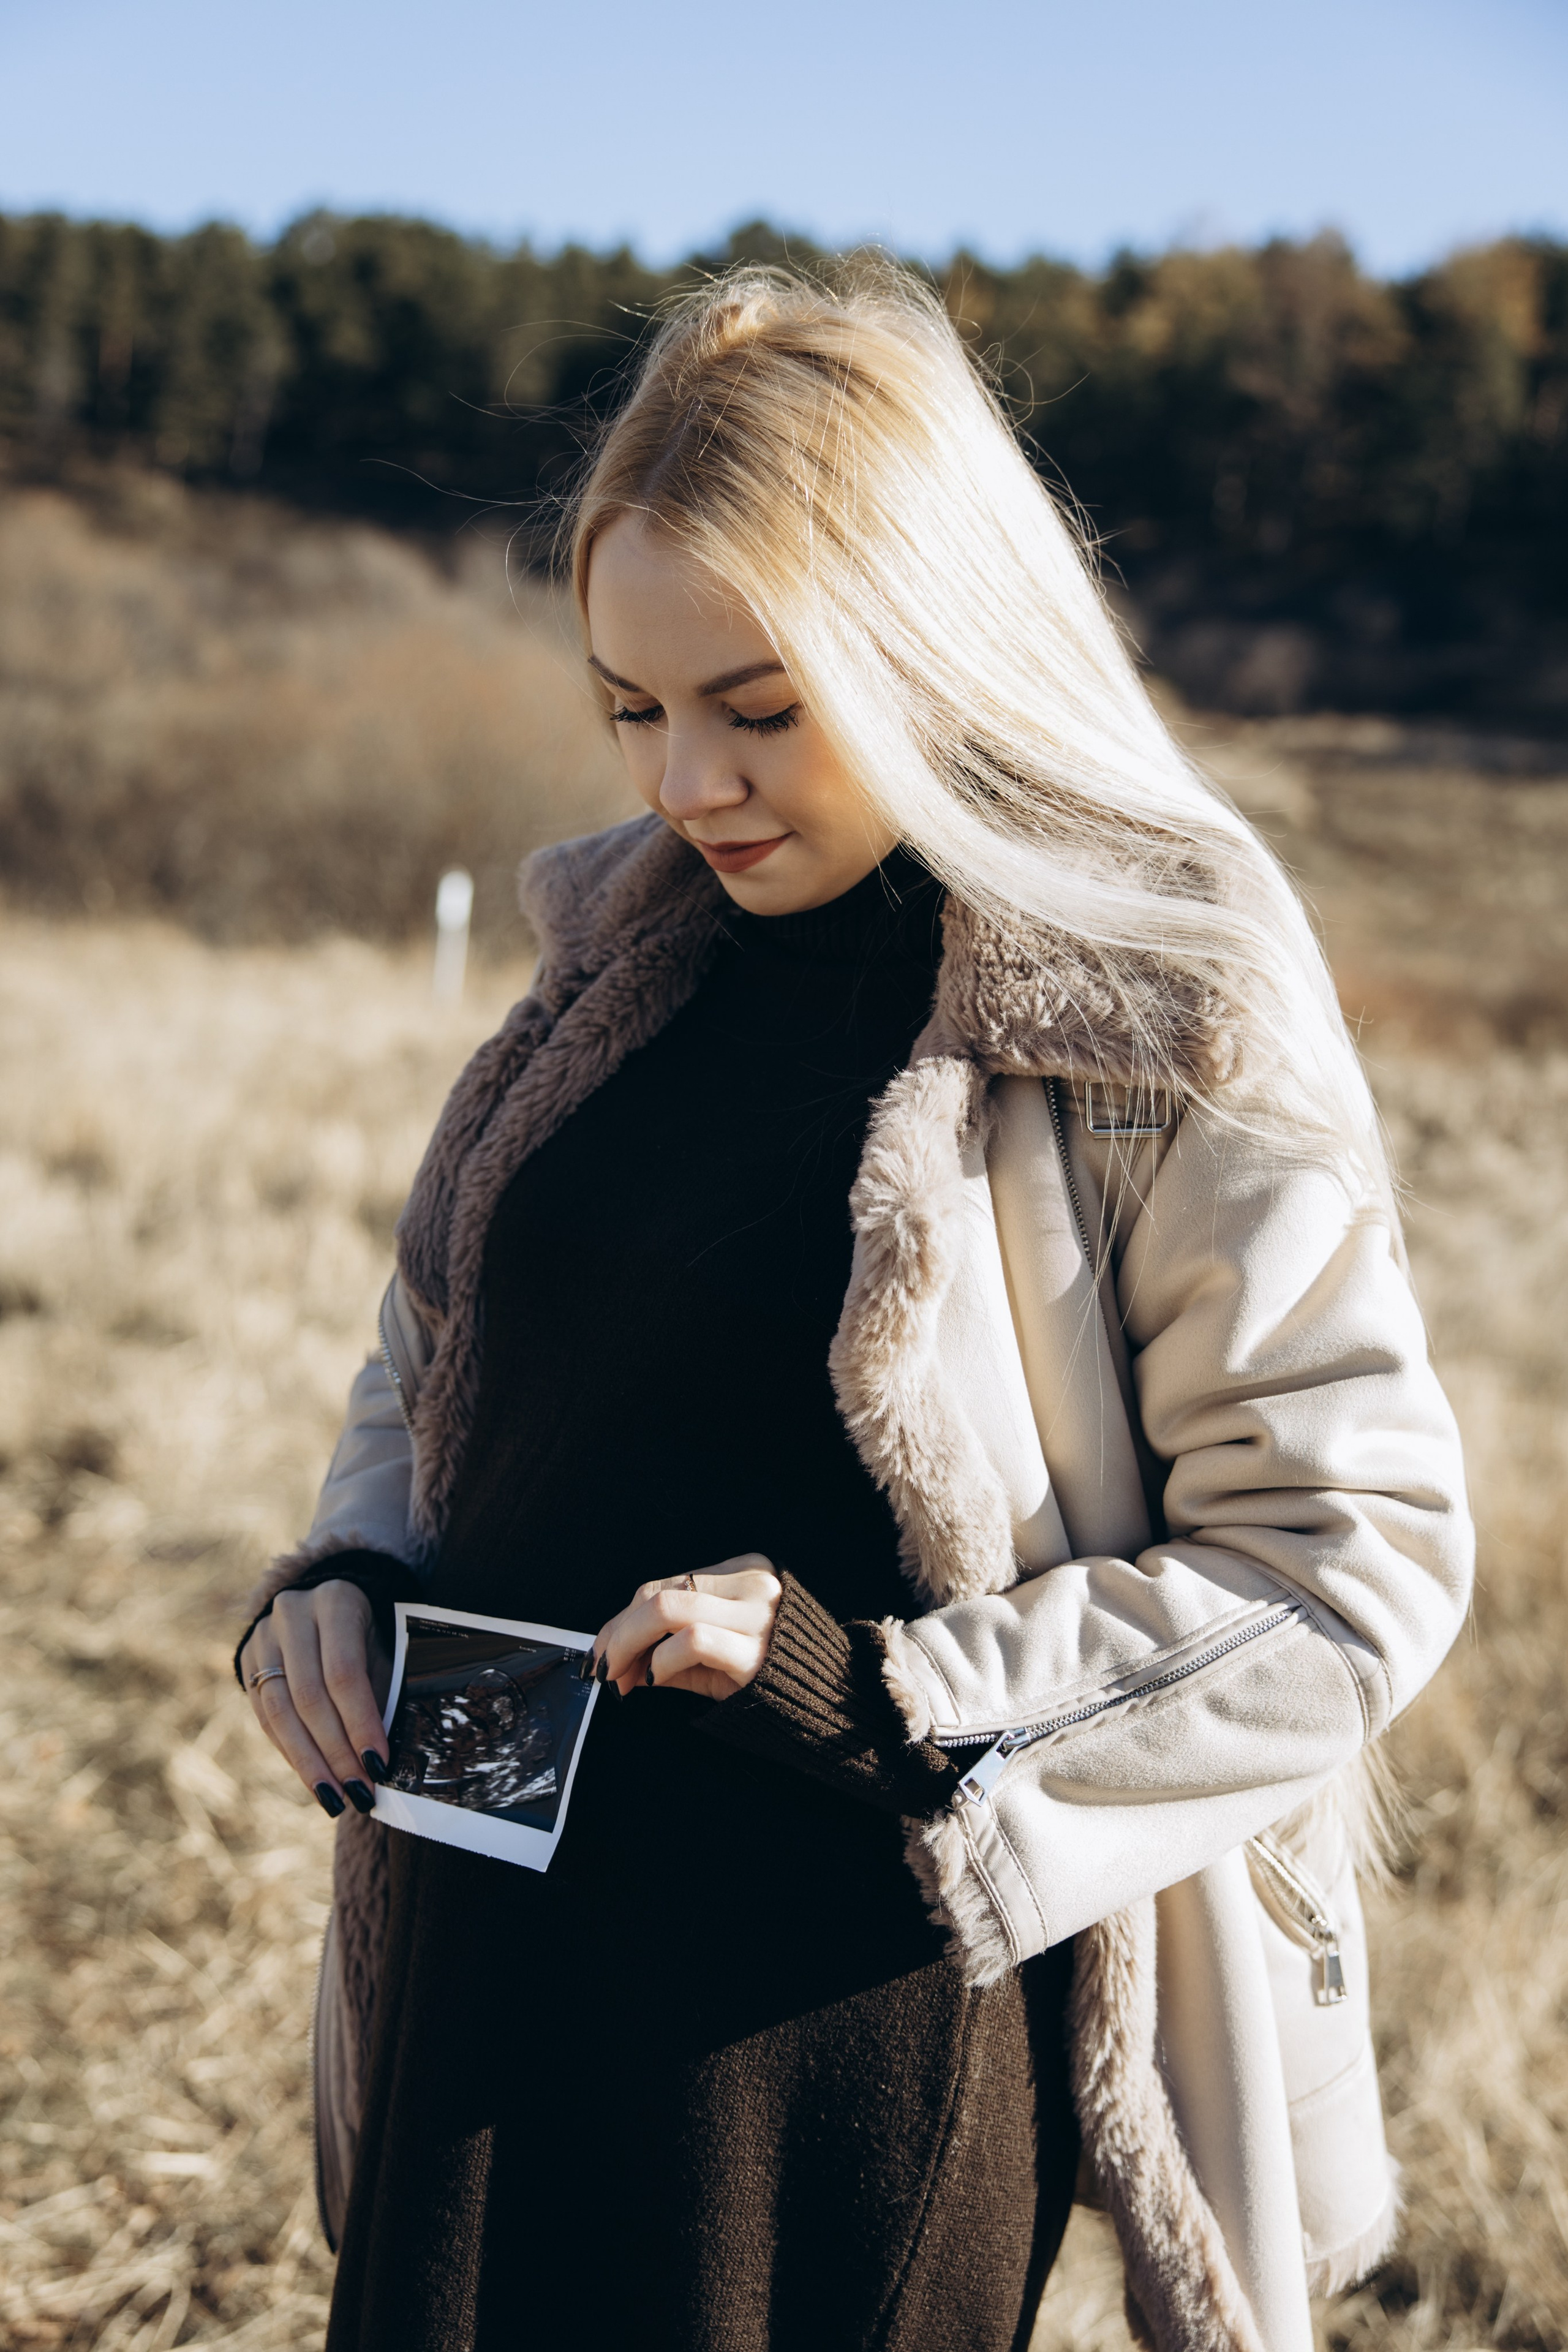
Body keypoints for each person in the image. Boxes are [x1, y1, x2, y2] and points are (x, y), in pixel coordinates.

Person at [235, 262, 1472, 2352]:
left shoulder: (1152, 996)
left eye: (763, 706)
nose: (683, 783)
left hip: (813, 2030)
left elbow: (1351, 1570)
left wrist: (884, 1693)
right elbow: (444, 1347)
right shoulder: (620, 955)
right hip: (472, 1941)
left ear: (932, 643)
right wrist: (344, 1573)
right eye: (634, 707)